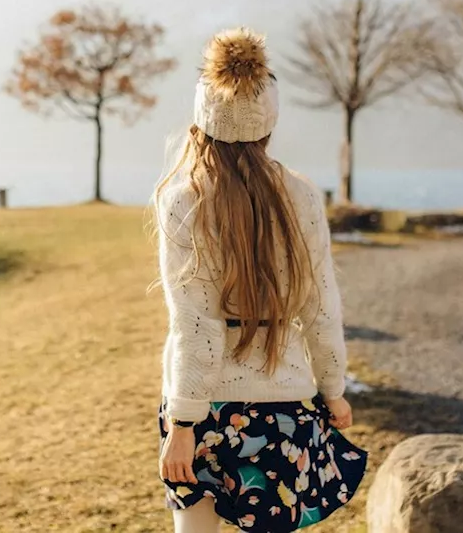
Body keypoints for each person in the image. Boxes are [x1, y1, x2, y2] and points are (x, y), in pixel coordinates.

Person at [153, 28, 367, 532]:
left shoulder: (183, 199)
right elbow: (321, 306)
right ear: (268, 124)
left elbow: (195, 323)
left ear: (202, 121)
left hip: (203, 409)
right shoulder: (303, 197)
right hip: (285, 402)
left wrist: (183, 423)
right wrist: (333, 389)